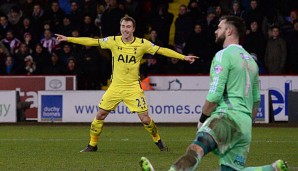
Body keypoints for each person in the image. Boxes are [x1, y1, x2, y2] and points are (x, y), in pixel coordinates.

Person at [139, 15, 288, 171]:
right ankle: (273, 169)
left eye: (219, 27)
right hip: (245, 125)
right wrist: (245, 125)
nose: (216, 31)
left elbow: (215, 95)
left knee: (196, 149)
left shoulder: (223, 55)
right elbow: (256, 101)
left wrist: (202, 119)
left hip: (227, 117)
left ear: (229, 31)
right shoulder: (251, 62)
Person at [55, 15, 198, 152]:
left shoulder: (142, 44)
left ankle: (158, 140)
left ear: (133, 29)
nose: (125, 29)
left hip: (133, 88)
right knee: (100, 115)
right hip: (115, 87)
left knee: (145, 119)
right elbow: (92, 41)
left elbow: (162, 51)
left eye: (128, 27)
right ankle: (92, 145)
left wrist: (183, 57)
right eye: (123, 26)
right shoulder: (113, 41)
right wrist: (68, 38)